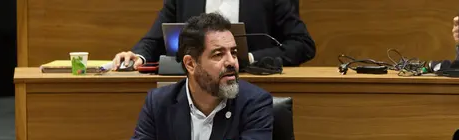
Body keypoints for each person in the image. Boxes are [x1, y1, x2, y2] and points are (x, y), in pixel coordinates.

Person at [118, 13, 273, 140]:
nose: (231, 62)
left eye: (234, 52)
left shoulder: (255, 102)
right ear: (190, 64)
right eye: (218, 54)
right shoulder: (159, 103)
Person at [112, 0, 315, 68]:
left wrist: (248, 59)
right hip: (192, 90)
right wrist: (137, 56)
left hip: (252, 88)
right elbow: (155, 40)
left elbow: (302, 44)